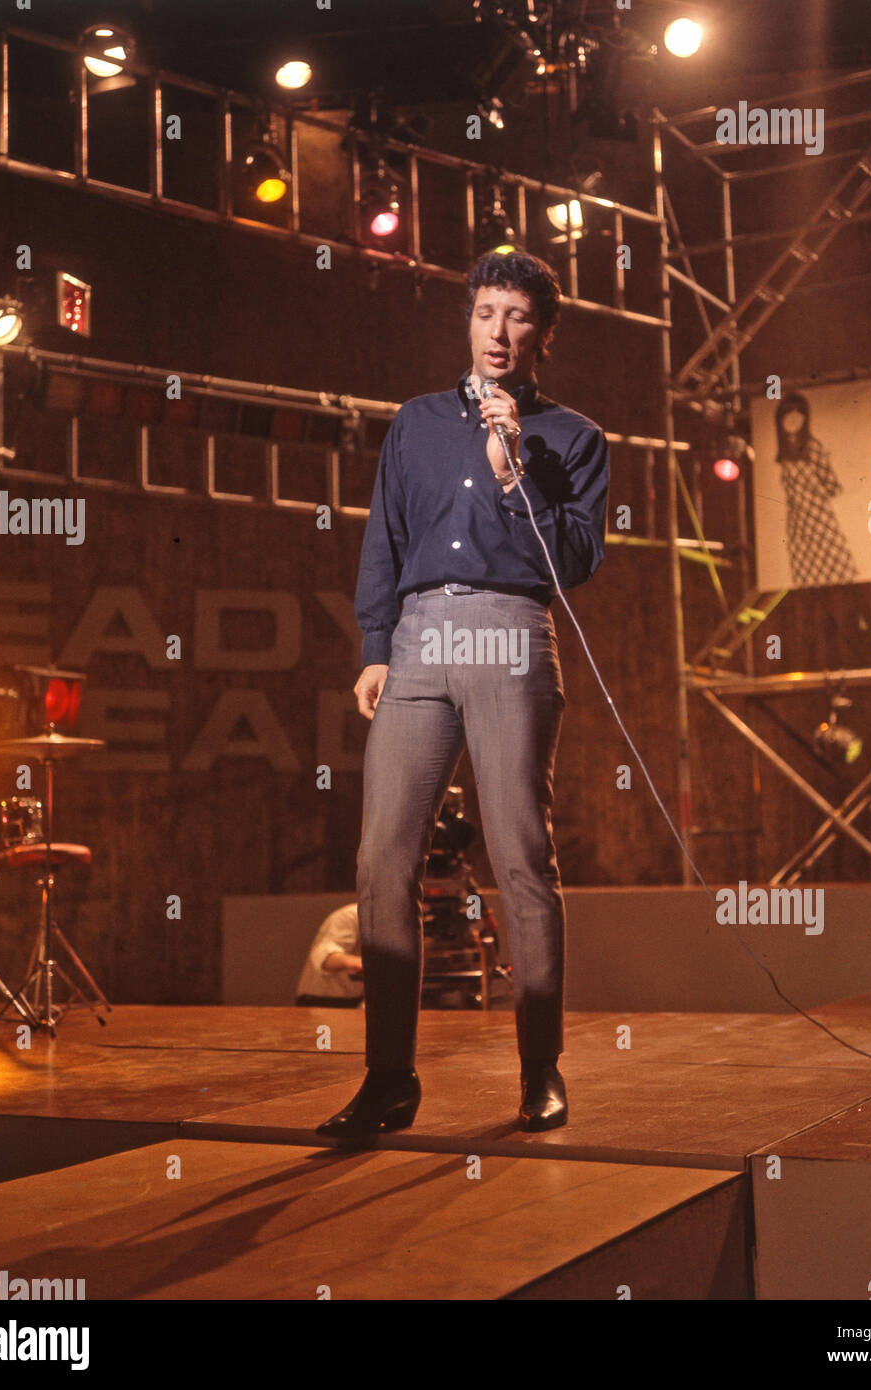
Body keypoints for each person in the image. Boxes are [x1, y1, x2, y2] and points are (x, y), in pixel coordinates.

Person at [316, 249, 609, 1139]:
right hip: (417, 635)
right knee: (381, 859)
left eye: (517, 317)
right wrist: (374, 646)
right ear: (469, 319)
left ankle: (542, 1071)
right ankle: (390, 1080)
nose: (498, 331)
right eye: (486, 312)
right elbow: (386, 536)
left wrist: (515, 464)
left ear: (542, 334)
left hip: (510, 628)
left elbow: (580, 560)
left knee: (520, 855)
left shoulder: (573, 438)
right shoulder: (412, 424)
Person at [774, 391, 857, 586]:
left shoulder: (812, 447)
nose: (793, 421)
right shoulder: (785, 455)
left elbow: (831, 483)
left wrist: (815, 493)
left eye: (798, 415)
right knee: (805, 567)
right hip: (797, 520)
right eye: (788, 416)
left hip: (817, 516)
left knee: (832, 564)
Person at [294, 902, 363, 1007]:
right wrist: (357, 962)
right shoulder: (350, 916)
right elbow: (324, 955)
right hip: (322, 1000)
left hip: (357, 1001)